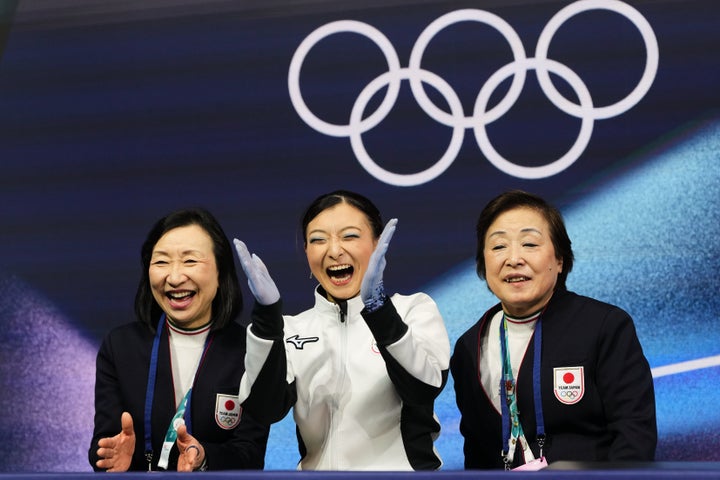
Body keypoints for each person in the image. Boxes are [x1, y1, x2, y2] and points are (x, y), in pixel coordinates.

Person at [233, 190, 450, 470]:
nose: (334, 251)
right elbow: (264, 409)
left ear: (377, 244)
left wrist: (378, 308)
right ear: (307, 253)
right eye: (318, 240)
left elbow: (422, 388)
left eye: (349, 236)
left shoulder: (414, 309)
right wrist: (267, 317)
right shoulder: (290, 328)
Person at [450, 190, 657, 470]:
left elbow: (634, 436)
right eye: (499, 247)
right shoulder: (469, 346)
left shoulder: (604, 326)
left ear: (559, 260)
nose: (513, 258)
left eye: (529, 244)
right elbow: (476, 453)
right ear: (483, 263)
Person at [89, 208, 269, 472]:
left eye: (190, 261)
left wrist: (205, 457)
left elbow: (250, 454)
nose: (174, 277)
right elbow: (103, 446)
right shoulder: (121, 347)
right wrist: (111, 459)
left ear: (221, 272)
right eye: (161, 262)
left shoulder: (249, 349)